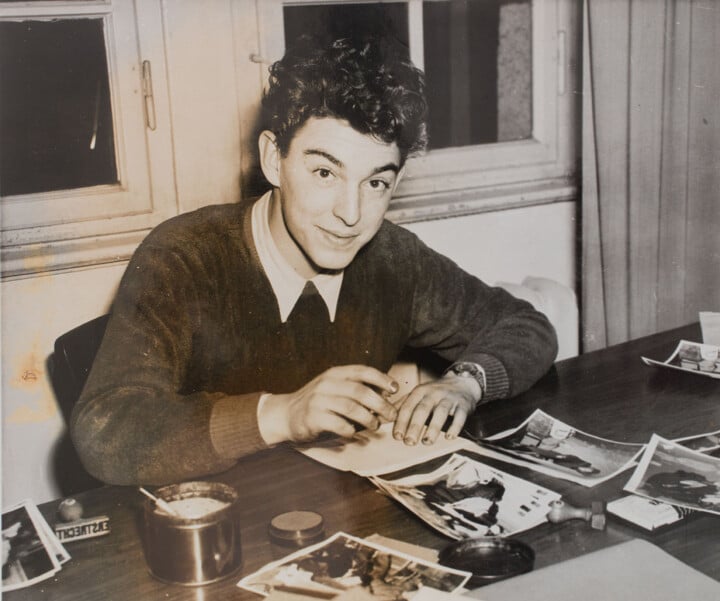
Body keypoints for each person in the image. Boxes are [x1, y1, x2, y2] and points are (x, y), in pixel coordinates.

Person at [71, 35, 557, 485]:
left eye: (376, 183)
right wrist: (282, 415)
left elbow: (525, 325)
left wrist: (466, 383)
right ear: (271, 160)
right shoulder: (183, 256)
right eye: (325, 172)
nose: (351, 215)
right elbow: (105, 430)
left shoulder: (393, 258)